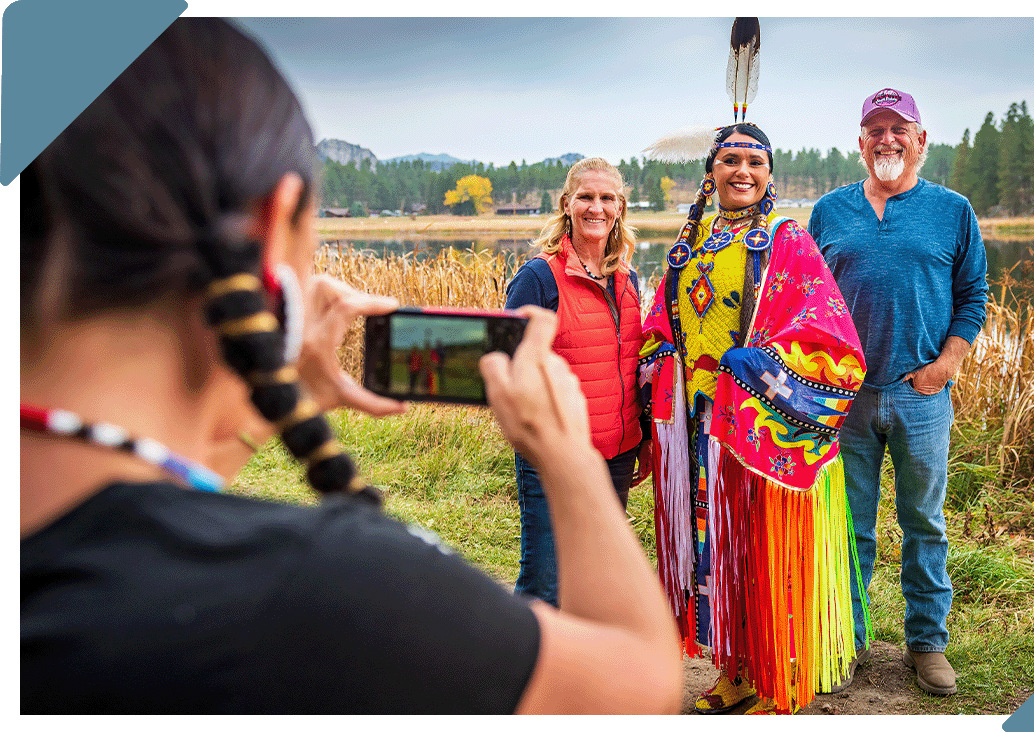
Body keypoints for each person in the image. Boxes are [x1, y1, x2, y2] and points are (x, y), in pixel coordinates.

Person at [20, 18, 682, 714]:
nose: (599, 209)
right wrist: (567, 455)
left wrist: (270, 396)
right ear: (272, 228)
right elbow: (637, 686)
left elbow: (132, 512)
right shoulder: (318, 590)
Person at [639, 122, 868, 714]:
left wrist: (752, 366)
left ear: (771, 174)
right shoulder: (693, 242)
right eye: (730, 160)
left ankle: (781, 682)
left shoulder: (787, 241)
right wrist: (661, 355)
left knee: (764, 550)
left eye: (755, 162)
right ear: (710, 172)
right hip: (698, 426)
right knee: (719, 549)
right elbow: (663, 321)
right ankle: (738, 670)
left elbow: (830, 333)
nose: (742, 172)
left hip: (756, 424)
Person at [808, 87, 989, 697]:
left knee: (924, 522)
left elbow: (973, 296)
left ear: (921, 140)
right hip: (844, 401)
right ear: (860, 142)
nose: (887, 139)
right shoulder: (830, 213)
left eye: (898, 128)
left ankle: (927, 645)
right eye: (875, 129)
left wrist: (946, 365)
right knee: (848, 526)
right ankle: (848, 640)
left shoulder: (953, 210)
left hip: (921, 393)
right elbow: (810, 302)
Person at [504, 158, 646, 608]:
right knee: (546, 581)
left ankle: (583, 675)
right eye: (586, 197)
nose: (596, 208)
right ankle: (522, 673)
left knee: (595, 578)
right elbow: (510, 367)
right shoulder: (539, 278)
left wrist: (642, 439)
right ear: (567, 204)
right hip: (556, 454)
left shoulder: (627, 278)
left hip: (617, 454)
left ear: (620, 208)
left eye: (607, 198)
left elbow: (630, 364)